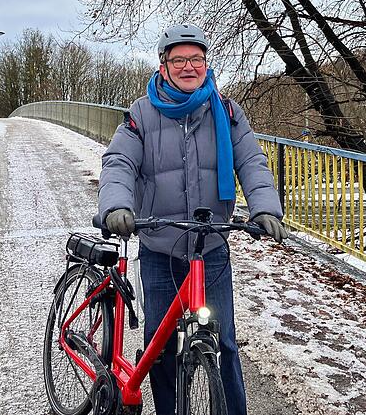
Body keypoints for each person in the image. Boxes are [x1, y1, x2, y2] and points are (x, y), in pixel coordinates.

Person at [95, 23, 287, 415]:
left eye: (196, 59)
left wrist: (265, 207)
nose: (189, 67)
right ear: (163, 67)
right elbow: (119, 162)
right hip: (160, 245)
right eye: (179, 60)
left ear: (206, 64)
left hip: (210, 244)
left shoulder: (227, 112)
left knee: (224, 342)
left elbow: (251, 161)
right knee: (160, 345)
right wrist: (116, 206)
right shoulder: (142, 113)